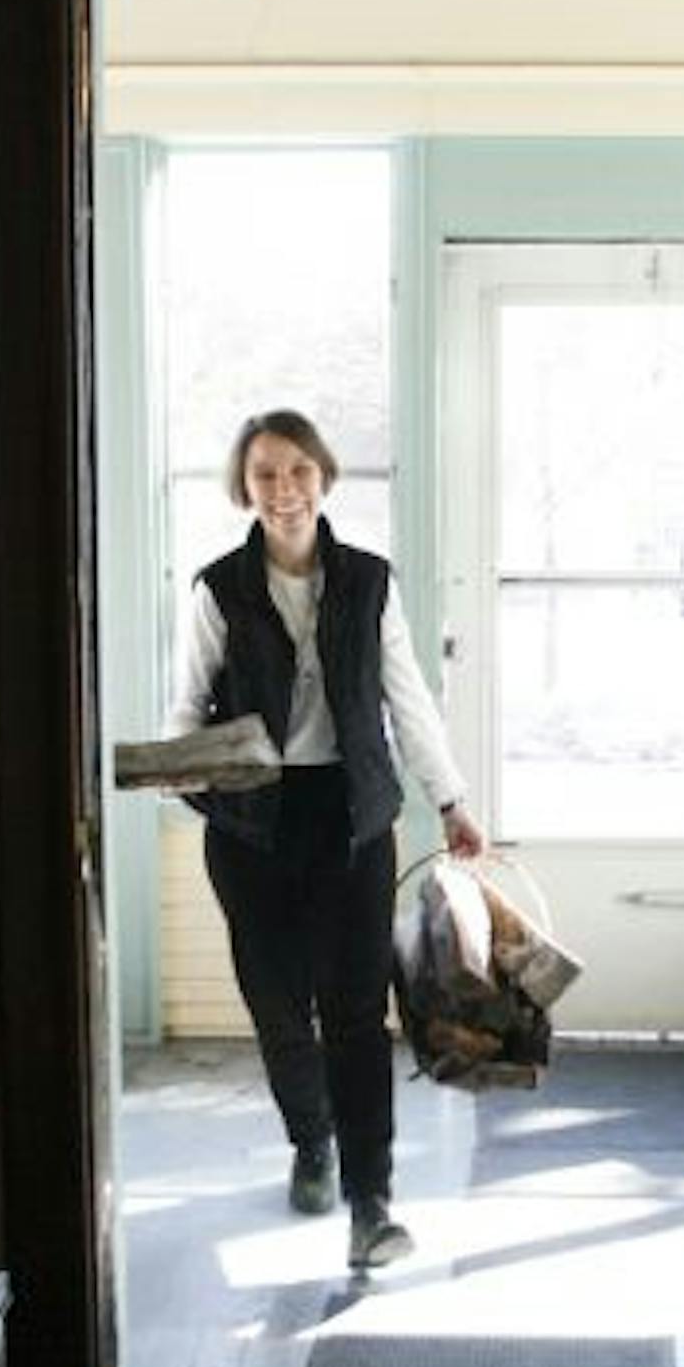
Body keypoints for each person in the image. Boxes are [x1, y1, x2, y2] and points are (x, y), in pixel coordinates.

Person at [164, 409, 486, 1272]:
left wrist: (450, 799)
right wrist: (194, 777)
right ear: (245, 487)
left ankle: (371, 1200)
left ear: (324, 477)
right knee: (278, 1005)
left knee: (353, 1008)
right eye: (265, 473)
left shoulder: (370, 583)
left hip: (351, 818)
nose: (284, 489)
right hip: (252, 826)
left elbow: (408, 698)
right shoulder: (216, 588)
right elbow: (185, 711)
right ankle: (312, 1141)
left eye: (298, 470)